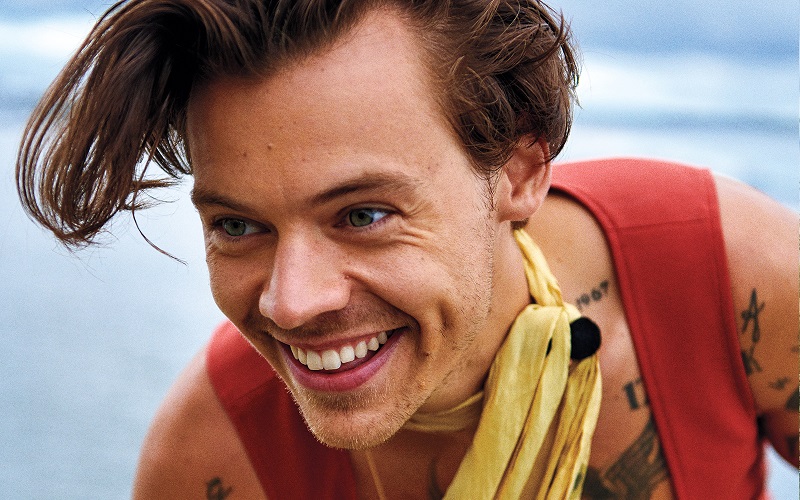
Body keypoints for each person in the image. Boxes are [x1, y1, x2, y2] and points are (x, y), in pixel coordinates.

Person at [16, 0, 797, 498]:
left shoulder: (731, 274)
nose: (293, 302)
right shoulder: (213, 460)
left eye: (363, 215)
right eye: (237, 226)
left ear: (519, 170)